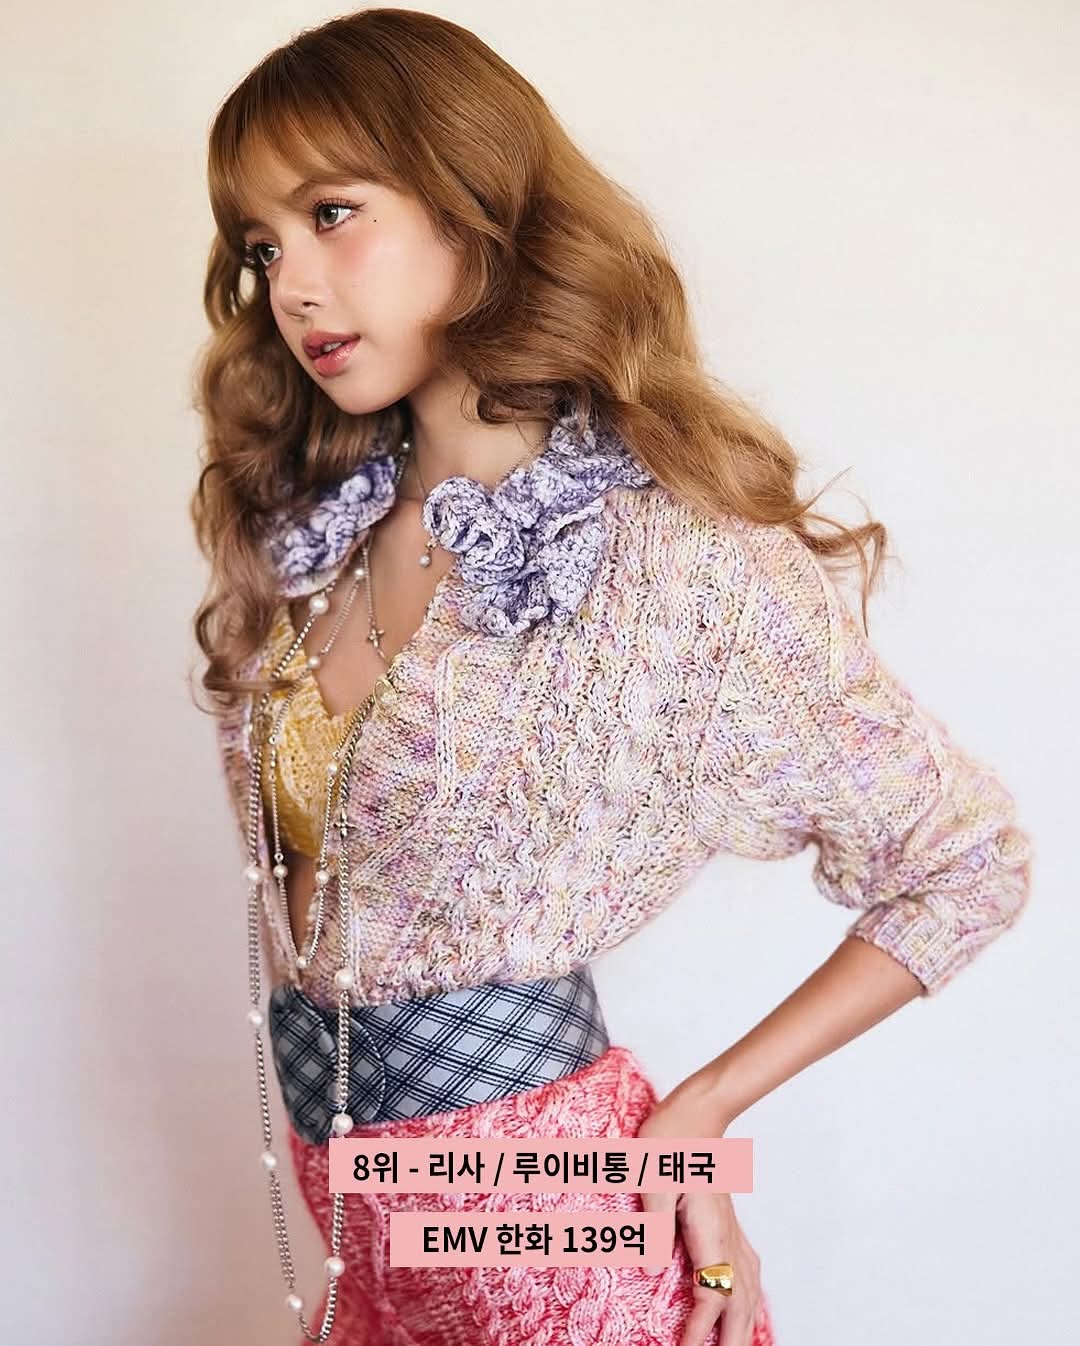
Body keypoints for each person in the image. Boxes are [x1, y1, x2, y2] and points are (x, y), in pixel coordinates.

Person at [188, 10, 1032, 1346]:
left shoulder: (676, 562)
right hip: (351, 1222)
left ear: (472, 206)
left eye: (331, 214)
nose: (290, 286)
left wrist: (701, 1118)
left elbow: (968, 862)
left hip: (553, 1238)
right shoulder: (322, 531)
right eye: (261, 247)